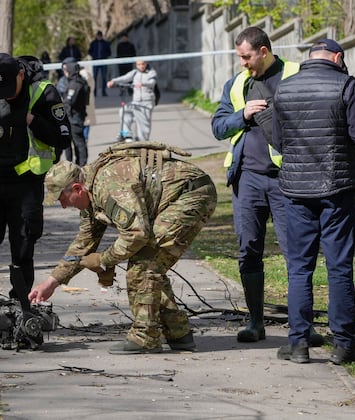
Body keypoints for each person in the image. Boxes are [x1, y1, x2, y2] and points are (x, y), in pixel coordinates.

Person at [28, 141, 217, 354]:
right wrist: (52, 282)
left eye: (63, 199)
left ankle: (145, 337)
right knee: (148, 265)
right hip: (175, 198)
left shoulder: (107, 186)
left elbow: (137, 233)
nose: (63, 206)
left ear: (77, 188)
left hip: (190, 195)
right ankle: (178, 332)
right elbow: (83, 244)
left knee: (144, 265)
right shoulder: (90, 196)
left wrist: (104, 261)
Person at [272, 39, 355, 364]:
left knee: (300, 268)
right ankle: (343, 346)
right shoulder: (345, 84)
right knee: (339, 267)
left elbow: (277, 140)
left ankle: (299, 344)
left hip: (296, 191)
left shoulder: (284, 88)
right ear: (337, 57)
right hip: (337, 189)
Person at [211, 27, 304, 343]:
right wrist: (243, 115)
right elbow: (218, 127)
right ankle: (255, 323)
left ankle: (301, 326)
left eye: (246, 56)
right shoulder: (237, 84)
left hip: (285, 181)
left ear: (264, 51)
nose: (243, 63)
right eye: (240, 57)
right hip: (247, 180)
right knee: (248, 250)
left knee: (296, 253)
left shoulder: (295, 75)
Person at [0, 53, 71, 300]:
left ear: (21, 74)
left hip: (26, 185)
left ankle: (21, 304)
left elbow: (63, 138)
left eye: (9, 88)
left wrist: (30, 120)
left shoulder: (43, 93)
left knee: (23, 247)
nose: (6, 95)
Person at [107, 60, 157, 141]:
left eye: (143, 64)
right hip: (136, 102)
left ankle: (143, 143)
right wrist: (113, 81)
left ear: (146, 64)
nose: (141, 66)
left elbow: (152, 83)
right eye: (139, 64)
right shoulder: (134, 72)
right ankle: (127, 134)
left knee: (143, 127)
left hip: (146, 102)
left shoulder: (151, 72)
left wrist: (143, 84)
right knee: (123, 111)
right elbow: (124, 78)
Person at [62, 60, 90, 166]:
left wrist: (65, 112)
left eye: (66, 70)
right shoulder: (79, 81)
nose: (65, 72)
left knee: (78, 142)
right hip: (76, 115)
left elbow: (69, 101)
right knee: (75, 143)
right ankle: (75, 164)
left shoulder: (75, 84)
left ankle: (81, 164)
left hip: (73, 117)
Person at [88, 30, 111, 96]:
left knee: (104, 77)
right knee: (94, 77)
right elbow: (89, 51)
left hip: (103, 61)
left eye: (100, 36)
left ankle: (104, 91)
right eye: (98, 36)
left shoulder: (105, 43)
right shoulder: (93, 43)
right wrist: (94, 56)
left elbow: (109, 52)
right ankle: (94, 92)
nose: (99, 37)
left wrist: (105, 56)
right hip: (95, 61)